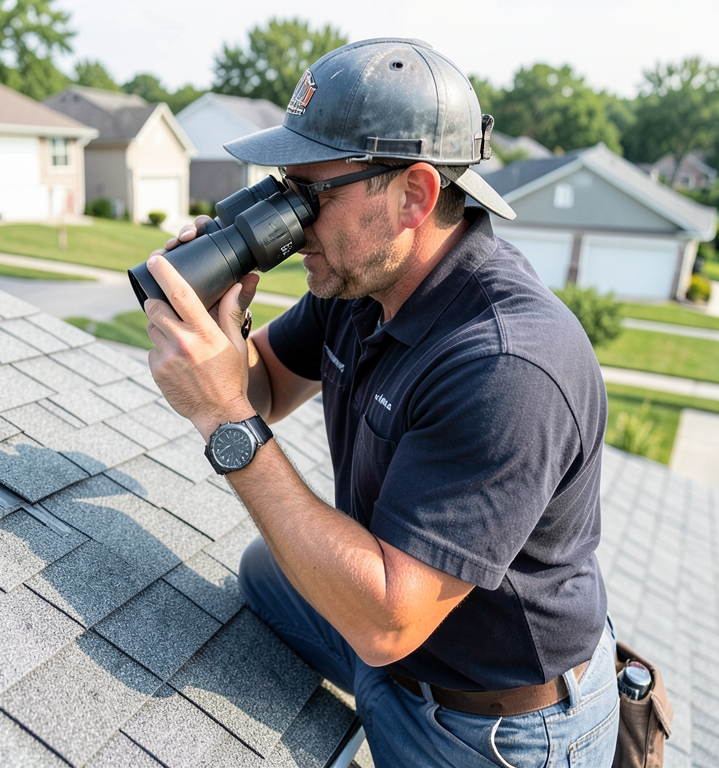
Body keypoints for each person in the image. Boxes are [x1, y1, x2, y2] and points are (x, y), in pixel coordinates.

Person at [143, 38, 619, 767]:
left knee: (358, 612)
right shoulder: (361, 281)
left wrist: (221, 418)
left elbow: (389, 624)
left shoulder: (509, 365)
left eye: (310, 194)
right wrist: (224, 327)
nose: (291, 224)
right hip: (394, 645)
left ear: (415, 196)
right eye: (282, 189)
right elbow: (263, 386)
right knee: (264, 570)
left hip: (486, 725)